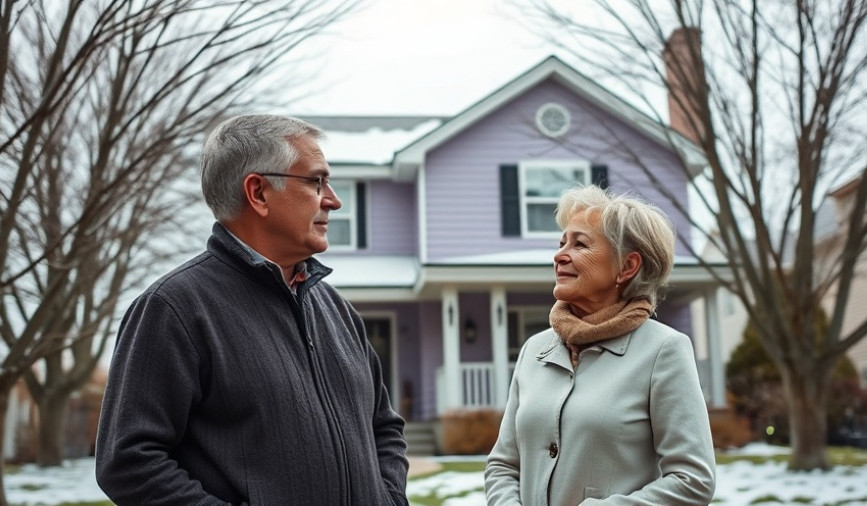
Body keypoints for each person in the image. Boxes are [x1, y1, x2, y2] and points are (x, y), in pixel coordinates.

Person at [95, 114, 410, 505]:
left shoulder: (337, 311)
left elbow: (384, 426)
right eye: (316, 181)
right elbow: (128, 461)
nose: (333, 199)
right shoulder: (174, 309)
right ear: (258, 192)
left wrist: (389, 498)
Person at [484, 185, 716, 505]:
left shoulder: (664, 350)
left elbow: (693, 479)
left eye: (580, 243)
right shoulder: (533, 350)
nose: (559, 254)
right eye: (562, 242)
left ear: (627, 267)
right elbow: (503, 465)